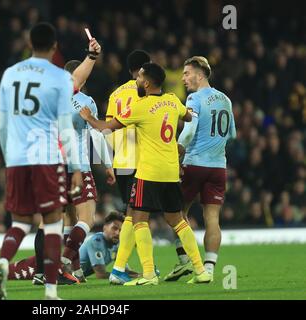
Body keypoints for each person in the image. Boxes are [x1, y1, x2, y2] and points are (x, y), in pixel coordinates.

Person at [0, 22, 101, 300]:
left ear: (29, 43)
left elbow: (3, 123)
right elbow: (66, 124)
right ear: (55, 47)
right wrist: (76, 167)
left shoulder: (10, 74)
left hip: (17, 158)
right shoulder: (57, 78)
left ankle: (3, 263)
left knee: (20, 223)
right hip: (47, 157)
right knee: (53, 223)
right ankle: (50, 291)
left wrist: (8, 157)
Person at [80, 62, 212, 285]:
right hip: (171, 171)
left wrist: (89, 118)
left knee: (138, 220)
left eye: (140, 78)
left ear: (147, 83)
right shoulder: (171, 100)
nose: (137, 81)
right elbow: (188, 117)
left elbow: (106, 127)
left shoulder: (140, 106)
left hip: (149, 172)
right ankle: (201, 271)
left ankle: (149, 274)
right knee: (177, 220)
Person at [164, 56, 236, 282]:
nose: (183, 78)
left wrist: (177, 152)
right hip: (218, 167)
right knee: (212, 218)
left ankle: (185, 261)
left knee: (175, 212)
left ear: (200, 74)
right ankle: (210, 268)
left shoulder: (194, 99)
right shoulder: (225, 99)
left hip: (194, 164)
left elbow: (188, 131)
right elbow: (231, 134)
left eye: (186, 73)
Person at [0, 212, 140, 282]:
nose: (118, 233)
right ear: (105, 226)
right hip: (46, 264)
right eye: (115, 228)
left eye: (121, 230)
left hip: (51, 265)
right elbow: (101, 273)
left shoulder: (112, 245)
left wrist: (139, 275)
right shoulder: (94, 240)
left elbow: (119, 269)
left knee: (3, 269)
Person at [59, 60, 115, 283]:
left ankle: (75, 271)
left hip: (55, 167)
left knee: (68, 219)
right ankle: (62, 263)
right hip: (78, 167)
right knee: (87, 219)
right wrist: (109, 165)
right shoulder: (85, 102)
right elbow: (97, 134)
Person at [105, 50, 151, 285]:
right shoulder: (146, 90)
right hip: (143, 160)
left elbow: (107, 130)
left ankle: (133, 267)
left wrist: (108, 162)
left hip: (121, 160)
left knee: (132, 214)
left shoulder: (115, 94)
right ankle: (123, 268)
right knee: (138, 216)